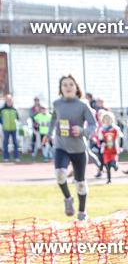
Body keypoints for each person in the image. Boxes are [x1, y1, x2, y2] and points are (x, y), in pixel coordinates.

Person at [44, 74, 96, 220]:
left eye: (70, 84)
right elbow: (54, 117)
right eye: (64, 85)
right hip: (61, 146)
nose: (68, 87)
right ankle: (68, 198)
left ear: (76, 87)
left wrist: (82, 131)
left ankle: (82, 212)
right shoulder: (57, 104)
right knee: (60, 174)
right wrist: (49, 133)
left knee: (79, 182)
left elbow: (93, 125)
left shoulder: (83, 105)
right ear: (61, 88)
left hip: (79, 148)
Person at [96, 110, 121, 183]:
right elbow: (100, 139)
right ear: (103, 120)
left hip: (113, 150)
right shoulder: (102, 130)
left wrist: (120, 147)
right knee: (107, 165)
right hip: (105, 150)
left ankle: (115, 164)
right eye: (106, 119)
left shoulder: (115, 129)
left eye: (109, 119)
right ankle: (109, 180)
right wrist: (102, 143)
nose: (107, 120)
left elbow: (119, 138)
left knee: (112, 163)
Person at [1, 94, 21, 162]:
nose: (9, 102)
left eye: (10, 100)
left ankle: (16, 157)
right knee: (6, 143)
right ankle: (6, 157)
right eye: (8, 100)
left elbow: (18, 118)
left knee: (15, 143)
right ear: (6, 101)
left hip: (13, 128)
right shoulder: (2, 109)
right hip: (5, 128)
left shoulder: (14, 109)